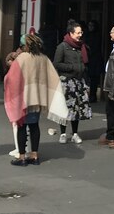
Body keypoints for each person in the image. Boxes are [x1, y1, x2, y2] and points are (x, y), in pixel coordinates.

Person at [4, 34, 68, 166]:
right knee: (34, 126)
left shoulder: (22, 58)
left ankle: (21, 157)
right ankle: (34, 155)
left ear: (24, 45)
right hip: (37, 98)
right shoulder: (43, 58)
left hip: (24, 98)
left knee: (21, 126)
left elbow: (12, 79)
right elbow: (52, 76)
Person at [53, 20, 93, 143]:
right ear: (71, 33)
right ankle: (63, 133)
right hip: (66, 81)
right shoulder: (62, 47)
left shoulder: (82, 46)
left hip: (79, 81)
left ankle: (75, 133)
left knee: (77, 109)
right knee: (64, 108)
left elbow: (85, 62)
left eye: (81, 32)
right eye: (78, 33)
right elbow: (57, 64)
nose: (80, 35)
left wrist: (84, 72)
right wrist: (72, 68)